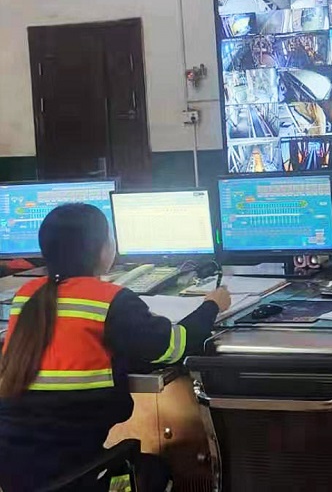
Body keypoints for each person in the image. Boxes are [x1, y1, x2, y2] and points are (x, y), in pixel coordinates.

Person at [0, 203, 231, 492]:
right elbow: (175, 346)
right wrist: (212, 305)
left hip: (13, 471)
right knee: (156, 471)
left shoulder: (26, 295)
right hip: (71, 476)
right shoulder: (109, 300)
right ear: (101, 251)